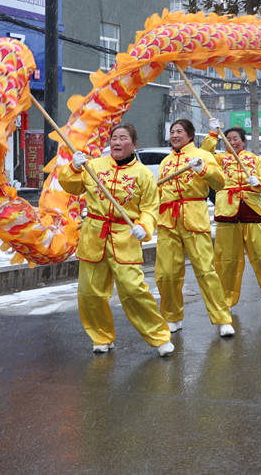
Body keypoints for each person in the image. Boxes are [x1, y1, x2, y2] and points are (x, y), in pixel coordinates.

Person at [59, 123, 174, 356]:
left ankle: (159, 337)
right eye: (114, 138)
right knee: (90, 292)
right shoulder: (94, 166)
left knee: (133, 290)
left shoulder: (143, 174)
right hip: (94, 235)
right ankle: (101, 336)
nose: (117, 142)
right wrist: (73, 168)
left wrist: (144, 226)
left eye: (123, 138)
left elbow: (150, 208)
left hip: (125, 236)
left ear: (134, 144)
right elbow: (70, 186)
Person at [201, 121, 261, 316]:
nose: (232, 142)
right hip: (227, 213)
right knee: (226, 262)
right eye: (228, 139)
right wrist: (212, 134)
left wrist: (258, 182)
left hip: (252, 212)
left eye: (236, 138)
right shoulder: (219, 159)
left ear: (243, 142)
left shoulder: (255, 160)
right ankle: (225, 302)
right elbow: (204, 155)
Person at [155, 119, 235, 337]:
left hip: (194, 216)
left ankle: (222, 319)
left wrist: (204, 170)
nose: (174, 135)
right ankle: (172, 316)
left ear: (190, 135)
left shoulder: (203, 156)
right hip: (167, 219)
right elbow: (159, 192)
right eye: (172, 131)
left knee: (205, 270)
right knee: (166, 273)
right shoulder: (166, 161)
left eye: (179, 131)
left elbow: (220, 182)